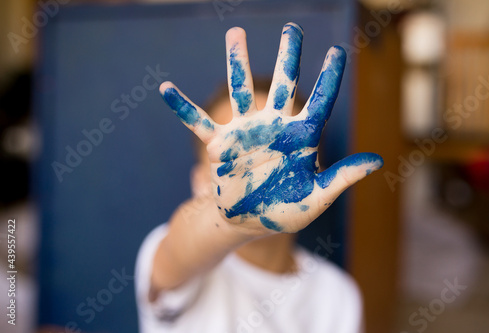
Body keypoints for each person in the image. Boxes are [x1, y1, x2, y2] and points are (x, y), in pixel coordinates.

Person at [135, 22, 383, 333]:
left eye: (278, 153)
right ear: (199, 181)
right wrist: (229, 221)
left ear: (316, 169)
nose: (258, 171)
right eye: (232, 162)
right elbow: (178, 251)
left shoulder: (338, 296)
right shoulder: (176, 262)